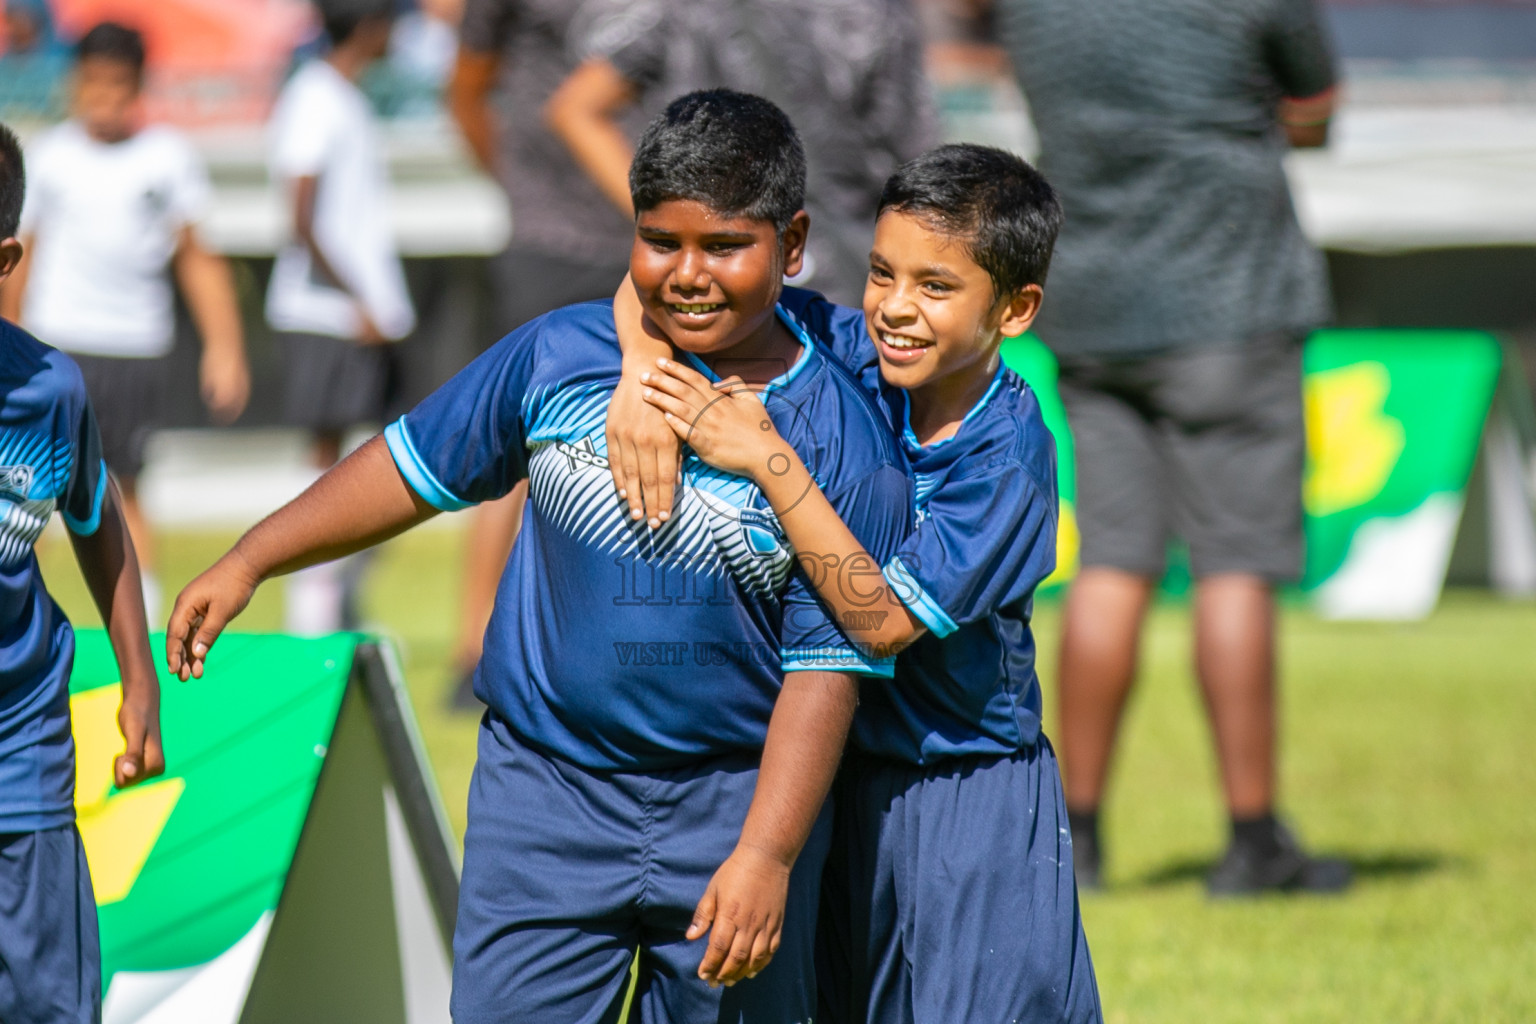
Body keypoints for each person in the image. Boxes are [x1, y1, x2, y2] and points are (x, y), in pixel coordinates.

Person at [167, 90, 912, 1022]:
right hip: (544, 798)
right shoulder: (559, 356)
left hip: (736, 804)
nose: (688, 274)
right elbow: (410, 465)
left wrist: (765, 854)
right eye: (660, 241)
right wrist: (250, 559)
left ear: (792, 245)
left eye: (725, 247)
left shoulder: (835, 428)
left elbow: (828, 669)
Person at [611, 144, 1102, 1022]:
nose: (896, 310)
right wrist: (631, 379)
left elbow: (876, 623)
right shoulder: (848, 352)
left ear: (1016, 310)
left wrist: (769, 459)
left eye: (936, 287)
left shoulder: (1007, 457)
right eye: (882, 274)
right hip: (835, 783)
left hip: (965, 792)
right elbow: (667, 291)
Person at [993, 0, 1349, 894]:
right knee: (1234, 563)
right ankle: (1253, 837)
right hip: (1232, 304)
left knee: (1112, 561)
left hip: (1095, 306)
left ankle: (1076, 836)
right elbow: (1316, 110)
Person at [0, 21, 250, 624]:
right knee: (38, 490)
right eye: (93, 84)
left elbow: (197, 258)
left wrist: (226, 347)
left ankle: (144, 619)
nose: (105, 98)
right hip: (58, 349)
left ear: (139, 85)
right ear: (75, 83)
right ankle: (46, 619)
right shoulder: (53, 157)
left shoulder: (166, 159)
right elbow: (19, 262)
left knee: (123, 489)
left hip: (134, 347)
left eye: (118, 85)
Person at [0, 120, 164, 1024]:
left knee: (48, 1002)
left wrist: (139, 681)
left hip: (21, 748)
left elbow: (99, 528)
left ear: (6, 258)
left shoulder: (49, 389)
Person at [439, 0, 645, 706]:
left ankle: (614, 648)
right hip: (550, 245)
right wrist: (519, 188)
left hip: (656, 238)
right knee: (521, 448)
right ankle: (473, 651)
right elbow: (465, 87)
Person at [546, 0, 937, 310]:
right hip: (847, 264)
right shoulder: (876, 11)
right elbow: (914, 157)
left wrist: (669, 225)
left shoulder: (677, 8)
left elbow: (578, 108)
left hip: (715, 271)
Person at [265, 4, 415, 634]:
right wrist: (359, 301)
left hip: (359, 316)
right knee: (324, 464)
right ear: (372, 26)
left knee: (384, 461)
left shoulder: (344, 97)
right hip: (328, 316)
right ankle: (311, 618)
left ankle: (340, 603)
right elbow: (301, 216)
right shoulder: (314, 96)